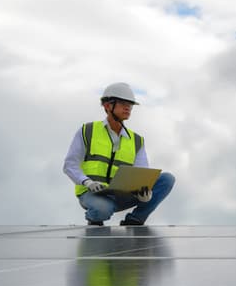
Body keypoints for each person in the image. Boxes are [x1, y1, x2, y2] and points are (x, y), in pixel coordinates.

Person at [62, 82, 175, 226]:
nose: (128, 107)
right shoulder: (87, 131)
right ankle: (95, 218)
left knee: (167, 179)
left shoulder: (136, 140)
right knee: (102, 209)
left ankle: (134, 220)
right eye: (122, 103)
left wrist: (145, 194)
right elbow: (69, 165)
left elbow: (142, 174)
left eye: (130, 104)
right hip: (93, 194)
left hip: (123, 194)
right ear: (107, 106)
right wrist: (87, 182)